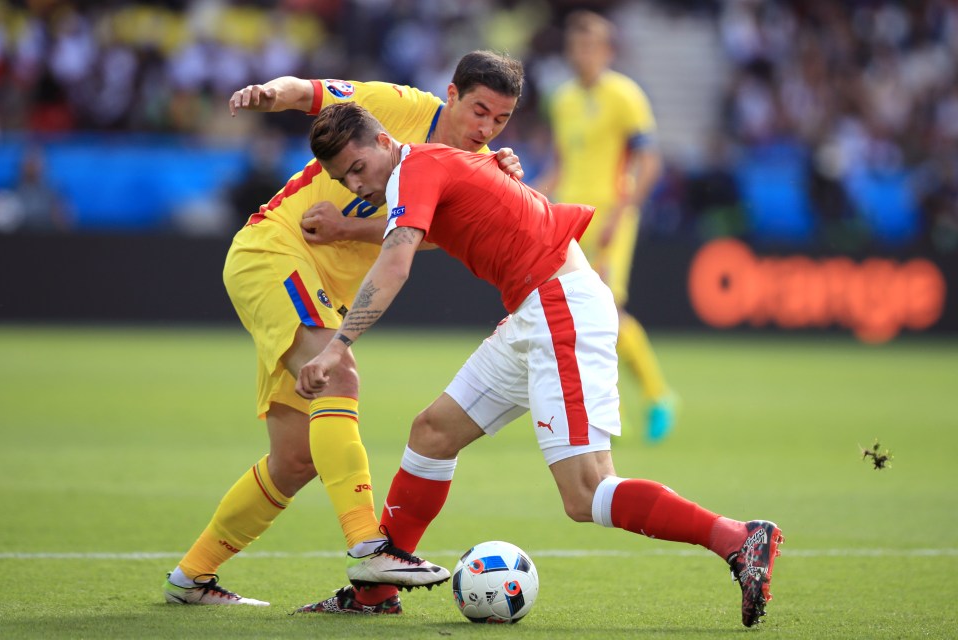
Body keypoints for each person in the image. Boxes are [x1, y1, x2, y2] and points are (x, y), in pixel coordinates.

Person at [295, 102, 785, 628]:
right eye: (342, 178)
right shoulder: (426, 168)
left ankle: (737, 538)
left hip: (559, 306)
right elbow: (431, 232)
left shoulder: (415, 168)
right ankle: (376, 593)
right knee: (432, 432)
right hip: (537, 310)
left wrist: (336, 345)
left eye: (356, 168)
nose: (354, 184)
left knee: (585, 492)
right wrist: (349, 227)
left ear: (384, 142)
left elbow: (398, 261)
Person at [162, 51, 526, 613]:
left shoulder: (473, 166)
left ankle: (191, 577)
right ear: (451, 96)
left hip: (323, 289)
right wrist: (266, 91)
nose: (485, 129)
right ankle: (368, 545)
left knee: (296, 460)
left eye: (500, 121)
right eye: (479, 111)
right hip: (275, 251)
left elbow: (430, 233)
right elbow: (312, 92)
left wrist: (350, 227)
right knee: (339, 373)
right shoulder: (400, 109)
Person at [537, 10, 675, 442]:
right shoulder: (562, 99)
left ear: (607, 51)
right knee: (574, 315)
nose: (582, 55)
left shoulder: (625, 96)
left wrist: (624, 211)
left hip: (612, 217)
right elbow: (561, 164)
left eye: (590, 46)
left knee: (607, 313)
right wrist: (530, 196)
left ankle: (658, 396)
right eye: (575, 47)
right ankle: (607, 408)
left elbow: (649, 162)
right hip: (570, 218)